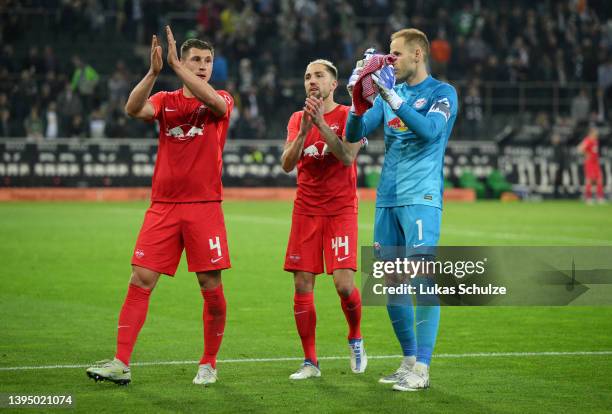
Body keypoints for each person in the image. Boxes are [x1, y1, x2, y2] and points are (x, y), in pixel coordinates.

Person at [86, 25, 234, 386]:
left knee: (209, 283)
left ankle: (208, 363)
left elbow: (213, 103)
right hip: (164, 207)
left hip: (204, 206)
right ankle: (121, 362)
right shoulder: (167, 101)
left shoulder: (222, 99)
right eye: (194, 60)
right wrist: (154, 72)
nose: (202, 66)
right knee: (140, 278)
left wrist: (177, 69)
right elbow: (133, 107)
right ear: (181, 61)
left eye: (207, 61)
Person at [345, 28, 458, 391]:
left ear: (418, 55)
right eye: (388, 54)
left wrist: (391, 96)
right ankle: (408, 359)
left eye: (395, 54)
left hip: (421, 198)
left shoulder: (443, 94)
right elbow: (353, 134)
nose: (389, 60)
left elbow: (428, 131)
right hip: (387, 199)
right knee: (393, 281)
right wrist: (356, 103)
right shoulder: (389, 95)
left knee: (423, 279)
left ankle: (422, 369)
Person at [281, 59, 367, 380]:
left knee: (344, 286)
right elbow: (287, 164)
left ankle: (355, 336)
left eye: (319, 75)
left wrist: (320, 124)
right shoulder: (295, 118)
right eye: (307, 76)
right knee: (302, 284)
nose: (312, 80)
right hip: (306, 210)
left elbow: (346, 156)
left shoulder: (350, 115)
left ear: (333, 84)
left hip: (341, 210)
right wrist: (304, 130)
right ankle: (310, 361)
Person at [578, 126, 605, 204]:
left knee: (599, 179)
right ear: (591, 133)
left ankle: (600, 197)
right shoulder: (588, 140)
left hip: (596, 162)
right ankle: (588, 198)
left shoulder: (595, 140)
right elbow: (580, 148)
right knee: (589, 180)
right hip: (589, 163)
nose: (596, 134)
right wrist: (586, 154)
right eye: (595, 132)